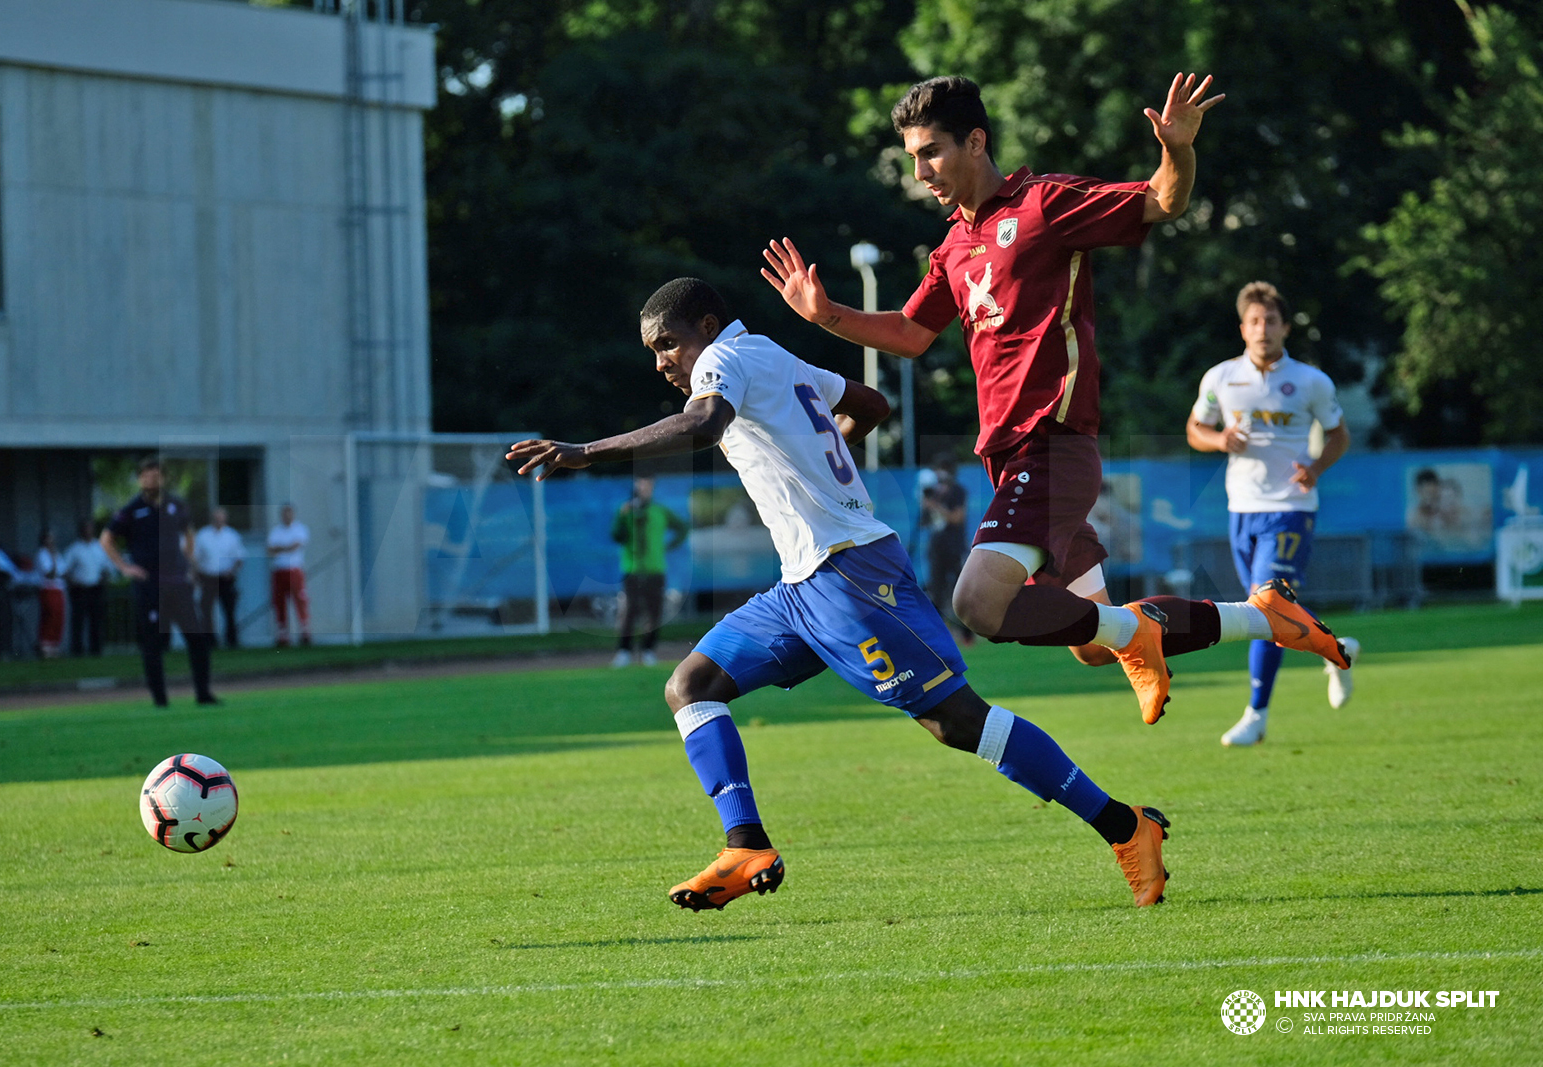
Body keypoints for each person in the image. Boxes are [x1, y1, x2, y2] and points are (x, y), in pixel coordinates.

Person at [509, 277, 1175, 911]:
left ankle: (1124, 825)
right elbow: (871, 405)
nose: (662, 363)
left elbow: (704, 423)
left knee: (957, 721)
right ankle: (745, 846)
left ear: (706, 329)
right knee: (692, 685)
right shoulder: (769, 355)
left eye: (667, 344)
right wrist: (825, 456)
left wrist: (585, 450)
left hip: (854, 575)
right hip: (803, 583)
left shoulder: (723, 363)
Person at [762, 74, 1349, 724]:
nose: (920, 170)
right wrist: (826, 315)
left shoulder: (1044, 203)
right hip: (1011, 464)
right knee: (1093, 646)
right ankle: (1261, 616)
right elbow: (908, 333)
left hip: (1053, 448)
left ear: (976, 140)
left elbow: (1162, 200)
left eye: (930, 151)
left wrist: (1177, 149)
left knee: (978, 604)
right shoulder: (953, 246)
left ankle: (1152, 635)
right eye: (912, 158)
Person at [1187, 282, 1359, 745]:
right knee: (1265, 608)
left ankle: (1256, 714)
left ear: (1285, 327)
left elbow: (1339, 434)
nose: (1263, 329)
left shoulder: (1310, 381)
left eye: (1272, 321)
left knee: (1265, 608)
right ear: (1243, 329)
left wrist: (1317, 468)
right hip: (1241, 507)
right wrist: (1220, 440)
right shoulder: (1221, 378)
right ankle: (1336, 651)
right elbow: (1195, 429)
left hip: (1290, 508)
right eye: (1255, 321)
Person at [101, 457, 216, 707]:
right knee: (153, 644)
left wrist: (188, 564)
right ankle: (160, 699)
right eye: (146, 475)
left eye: (155, 475)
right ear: (140, 479)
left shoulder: (176, 505)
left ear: (163, 478)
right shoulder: (132, 510)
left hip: (178, 583)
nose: (151, 480)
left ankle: (204, 693)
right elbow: (107, 539)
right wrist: (125, 567)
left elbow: (189, 534)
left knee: (197, 638)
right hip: (150, 586)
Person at [610, 476, 689, 668]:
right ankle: (624, 652)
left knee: (654, 613)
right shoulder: (626, 511)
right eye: (641, 485)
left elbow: (682, 528)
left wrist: (668, 546)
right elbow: (616, 536)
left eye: (648, 486)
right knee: (629, 611)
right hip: (632, 570)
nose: (645, 489)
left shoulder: (659, 511)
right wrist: (622, 517)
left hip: (656, 569)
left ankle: (648, 650)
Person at [920, 452, 972, 645]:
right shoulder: (931, 491)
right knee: (936, 592)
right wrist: (926, 505)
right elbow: (923, 523)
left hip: (955, 547)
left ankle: (967, 635)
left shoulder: (958, 491)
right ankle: (940, 636)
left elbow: (957, 518)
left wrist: (936, 506)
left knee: (961, 592)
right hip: (936, 548)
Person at [194, 507, 244, 649]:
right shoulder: (203, 535)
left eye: (220, 518)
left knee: (229, 610)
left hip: (226, 578)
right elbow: (196, 558)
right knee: (206, 610)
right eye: (216, 518)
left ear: (225, 519)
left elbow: (239, 558)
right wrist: (196, 575)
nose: (218, 520)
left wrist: (232, 571)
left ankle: (232, 641)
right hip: (208, 577)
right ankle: (210, 641)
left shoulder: (232, 535)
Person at [63, 520, 113, 657]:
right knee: (78, 621)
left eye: (90, 529)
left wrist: (105, 579)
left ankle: (96, 649)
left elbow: (107, 566)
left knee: (96, 621)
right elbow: (65, 570)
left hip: (96, 588)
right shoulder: (74, 549)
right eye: (85, 529)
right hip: (80, 589)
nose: (88, 531)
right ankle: (77, 650)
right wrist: (73, 582)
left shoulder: (99, 547)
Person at [267, 504, 311, 647]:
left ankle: (305, 631)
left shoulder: (300, 529)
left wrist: (280, 548)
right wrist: (286, 548)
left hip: (294, 569)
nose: (287, 516)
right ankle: (283, 634)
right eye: (284, 513)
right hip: (279, 570)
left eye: (289, 513)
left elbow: (295, 546)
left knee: (300, 599)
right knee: (279, 601)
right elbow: (270, 550)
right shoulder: (276, 531)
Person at [34, 529, 67, 658]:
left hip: (59, 588)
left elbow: (63, 571)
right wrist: (53, 558)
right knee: (50, 615)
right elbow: (50, 574)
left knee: (59, 617)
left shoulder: (57, 554)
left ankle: (54, 644)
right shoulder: (42, 554)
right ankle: (45, 645)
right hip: (48, 588)